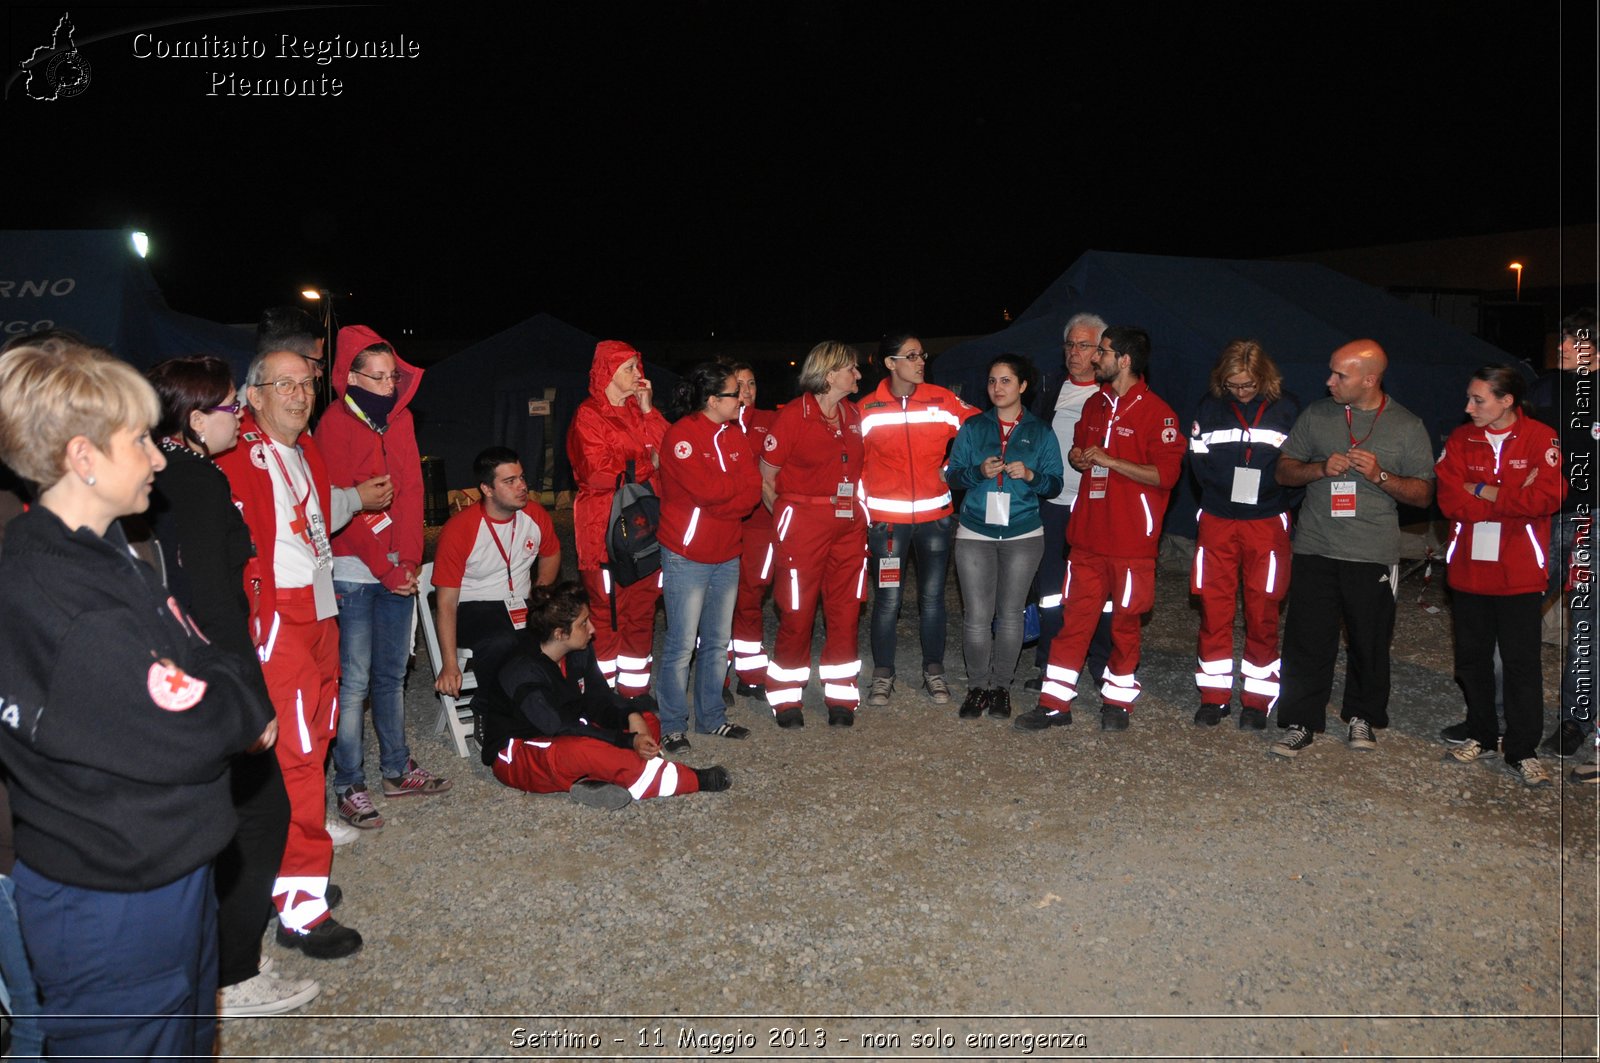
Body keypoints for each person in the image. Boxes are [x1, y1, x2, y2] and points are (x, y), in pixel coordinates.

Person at [0, 341, 274, 1057]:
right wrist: (240, 697)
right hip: (114, 899)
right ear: (85, 456)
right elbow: (199, 720)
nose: (158, 459)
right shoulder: (68, 599)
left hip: (152, 874)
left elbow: (194, 649)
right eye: (141, 441)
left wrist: (221, 679)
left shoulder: (100, 549)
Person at [145, 356, 317, 1016]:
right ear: (194, 419)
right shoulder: (196, 481)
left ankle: (206, 959)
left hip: (173, 670)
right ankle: (232, 975)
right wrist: (248, 693)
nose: (239, 419)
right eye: (228, 409)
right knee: (260, 812)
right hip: (209, 674)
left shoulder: (163, 473)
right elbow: (214, 598)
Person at [215, 347, 365, 958]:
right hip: (279, 620)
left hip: (318, 612)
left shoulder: (305, 453)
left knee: (315, 744)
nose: (300, 395)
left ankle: (292, 880)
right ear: (253, 395)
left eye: (307, 384)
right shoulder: (236, 455)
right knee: (299, 759)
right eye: (285, 385)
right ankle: (301, 909)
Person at [1269, 339, 1436, 758]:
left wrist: (1381, 476)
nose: (1329, 381)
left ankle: (1362, 716)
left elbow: (1424, 494)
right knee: (1307, 639)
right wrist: (1319, 468)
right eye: (1331, 372)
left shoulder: (1406, 425)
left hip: (1371, 552)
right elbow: (1284, 471)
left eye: (1339, 375)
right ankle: (1301, 721)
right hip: (1315, 547)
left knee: (1370, 639)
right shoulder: (1317, 414)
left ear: (1369, 379)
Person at [1016, 326, 1187, 732]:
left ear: (1124, 360)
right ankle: (1055, 702)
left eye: (1103, 352)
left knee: (1125, 625)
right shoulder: (1095, 404)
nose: (1095, 358)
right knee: (1074, 621)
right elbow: (1080, 452)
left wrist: (1110, 461)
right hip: (1087, 537)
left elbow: (1165, 475)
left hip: (1131, 543)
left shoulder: (1158, 413)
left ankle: (1117, 701)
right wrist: (1079, 457)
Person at [316, 326, 449, 833]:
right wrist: (389, 568)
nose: (390, 385)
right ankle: (349, 782)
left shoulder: (401, 420)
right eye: (378, 376)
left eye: (393, 375)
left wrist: (411, 559)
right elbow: (342, 508)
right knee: (352, 685)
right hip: (354, 570)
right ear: (349, 376)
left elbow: (412, 494)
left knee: (392, 677)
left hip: (399, 569)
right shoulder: (334, 423)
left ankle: (396, 768)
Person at [474, 582, 732, 808]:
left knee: (646, 722)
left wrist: (630, 717)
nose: (592, 629)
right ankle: (691, 779)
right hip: (519, 752)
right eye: (583, 624)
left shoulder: (577, 650)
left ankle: (594, 779)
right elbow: (559, 727)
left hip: (566, 731)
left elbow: (599, 698)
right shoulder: (522, 669)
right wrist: (625, 741)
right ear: (559, 634)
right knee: (588, 750)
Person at [1434, 366, 1566, 787]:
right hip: (1469, 570)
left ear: (1506, 400)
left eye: (1478, 400)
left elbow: (1548, 497)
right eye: (1470, 398)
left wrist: (1482, 489)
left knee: (1521, 663)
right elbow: (1450, 500)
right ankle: (1482, 735)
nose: (1468, 407)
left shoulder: (1540, 438)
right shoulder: (1459, 439)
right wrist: (1509, 497)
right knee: (1472, 660)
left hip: (1520, 572)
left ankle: (1522, 748)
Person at [859, 333, 978, 707]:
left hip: (935, 520)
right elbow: (849, 461)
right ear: (890, 363)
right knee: (888, 602)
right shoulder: (868, 408)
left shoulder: (941, 399)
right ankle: (883, 674)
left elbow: (979, 429)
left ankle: (934, 671)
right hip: (887, 525)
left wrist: (952, 469)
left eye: (922, 354)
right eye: (911, 356)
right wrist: (865, 511)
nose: (921, 361)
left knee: (932, 600)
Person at [1186, 340, 1300, 729]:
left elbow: (1300, 467)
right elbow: (1197, 462)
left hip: (1267, 522)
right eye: (1234, 385)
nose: (1241, 392)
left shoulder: (1288, 408)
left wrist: (1275, 498)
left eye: (1248, 385)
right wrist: (1219, 496)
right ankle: (1213, 696)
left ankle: (1258, 698)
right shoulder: (1210, 405)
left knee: (1263, 610)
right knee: (1214, 610)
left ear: (1264, 377)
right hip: (1219, 519)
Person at [947, 355, 1063, 720]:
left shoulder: (1041, 431)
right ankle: (977, 687)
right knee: (977, 616)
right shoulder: (973, 427)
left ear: (1023, 386)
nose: (997, 388)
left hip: (1024, 532)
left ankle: (1001, 688)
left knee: (1010, 615)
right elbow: (952, 476)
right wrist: (978, 472)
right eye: (992, 381)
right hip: (975, 532)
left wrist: (1030, 475)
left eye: (1006, 381)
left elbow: (1055, 483)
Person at [761, 341, 869, 727]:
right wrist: (788, 520)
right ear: (828, 374)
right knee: (796, 610)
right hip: (803, 523)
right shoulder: (793, 416)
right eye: (851, 369)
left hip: (847, 525)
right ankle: (786, 696)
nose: (858, 375)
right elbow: (767, 477)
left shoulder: (853, 414)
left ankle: (841, 695)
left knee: (845, 610)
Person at [656, 362, 763, 750]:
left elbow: (751, 490)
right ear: (714, 399)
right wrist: (729, 493)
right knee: (681, 644)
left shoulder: (734, 434)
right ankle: (671, 724)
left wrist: (728, 494)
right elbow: (708, 492)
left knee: (717, 642)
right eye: (736, 393)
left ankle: (711, 717)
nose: (743, 399)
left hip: (727, 553)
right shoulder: (682, 436)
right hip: (687, 554)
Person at [566, 340, 669, 696]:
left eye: (637, 367)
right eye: (629, 368)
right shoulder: (588, 415)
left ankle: (634, 695)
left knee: (641, 614)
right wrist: (647, 464)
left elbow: (671, 452)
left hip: (645, 528)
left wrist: (649, 409)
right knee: (607, 616)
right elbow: (596, 472)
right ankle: (603, 698)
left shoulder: (639, 411)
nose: (638, 375)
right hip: (603, 533)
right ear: (607, 373)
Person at [430, 446, 561, 699]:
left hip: (521, 603)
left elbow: (551, 552)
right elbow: (445, 604)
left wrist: (540, 589)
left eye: (522, 477)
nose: (521, 486)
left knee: (566, 629)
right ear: (487, 489)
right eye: (510, 481)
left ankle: (555, 703)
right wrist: (449, 664)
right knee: (504, 641)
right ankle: (492, 712)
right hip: (473, 607)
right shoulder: (460, 529)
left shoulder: (534, 514)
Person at [1027, 313, 1113, 692]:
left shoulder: (1113, 393)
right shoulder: (1050, 389)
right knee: (1049, 588)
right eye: (1070, 344)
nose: (1074, 353)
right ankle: (1050, 663)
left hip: (1098, 505)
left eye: (1084, 345)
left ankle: (1101, 662)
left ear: (1102, 352)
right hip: (1054, 502)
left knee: (1099, 591)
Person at [1527, 309, 1598, 762]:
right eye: (1561, 339)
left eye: (1571, 341)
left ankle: (1575, 721)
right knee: (1516, 608)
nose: (1561, 347)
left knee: (1586, 625)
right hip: (1543, 517)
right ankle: (1503, 710)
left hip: (1594, 520)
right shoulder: (1545, 389)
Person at [727, 362, 778, 699]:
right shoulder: (714, 424)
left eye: (752, 383)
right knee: (717, 602)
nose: (746, 391)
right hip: (722, 525)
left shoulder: (771, 423)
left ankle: (751, 675)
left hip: (760, 525)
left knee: (750, 597)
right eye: (739, 384)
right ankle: (717, 679)